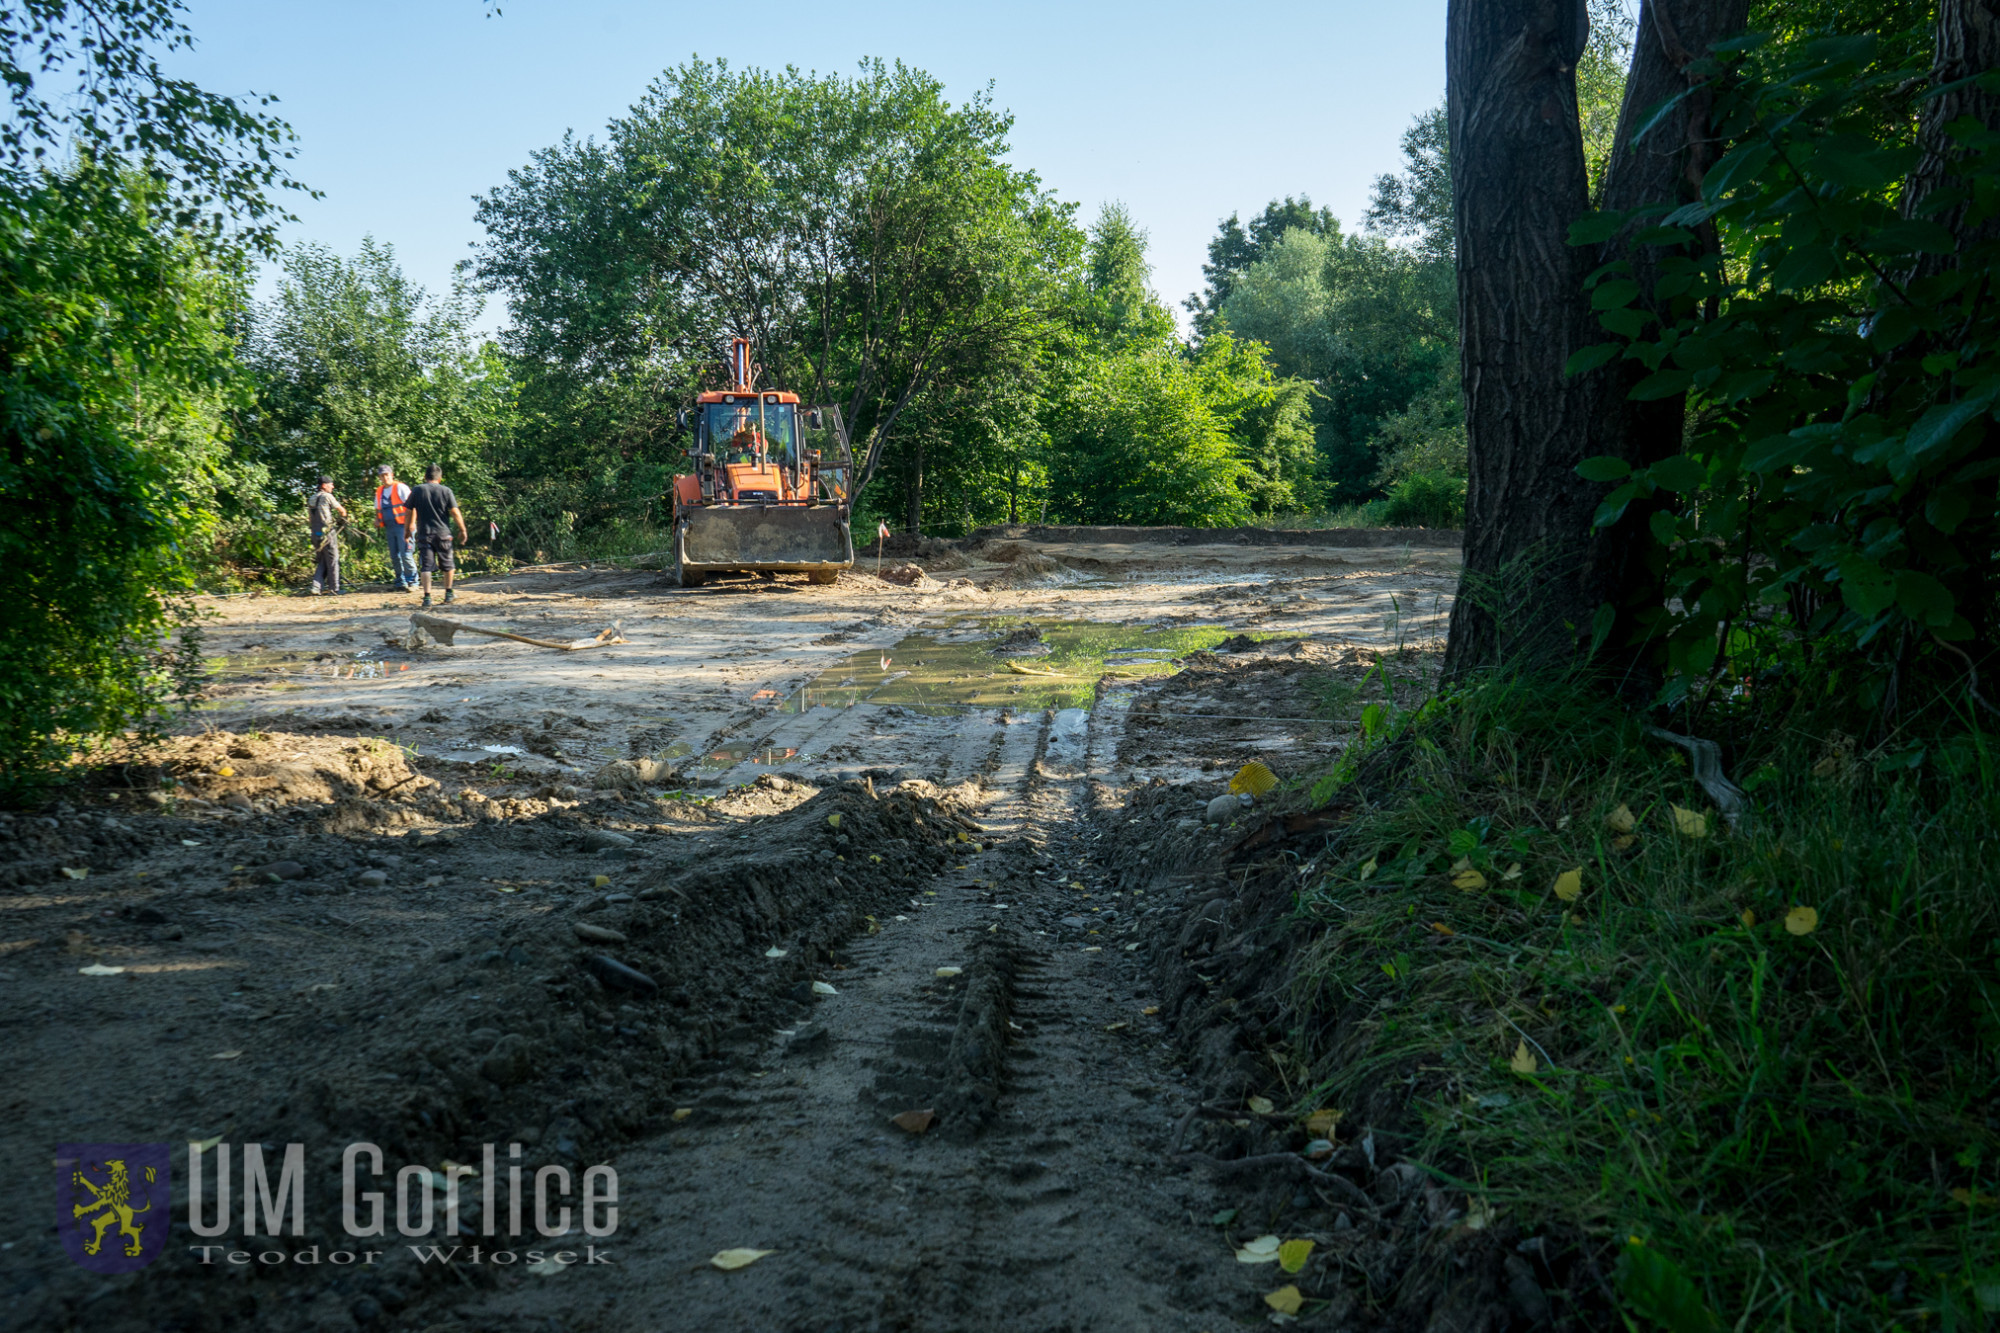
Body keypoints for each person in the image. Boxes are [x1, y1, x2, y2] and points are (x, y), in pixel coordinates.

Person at [406, 463, 468, 608]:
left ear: (425, 477)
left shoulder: (417, 490)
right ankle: (448, 593)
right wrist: (463, 529)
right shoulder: (446, 491)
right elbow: (455, 512)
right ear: (440, 479)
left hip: (424, 533)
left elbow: (408, 511)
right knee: (448, 564)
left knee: (426, 566)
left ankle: (427, 598)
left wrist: (407, 530)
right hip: (443, 533)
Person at [373, 464, 417, 590]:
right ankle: (400, 582)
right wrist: (377, 520)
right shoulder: (380, 491)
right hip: (390, 527)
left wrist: (412, 524)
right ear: (380, 477)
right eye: (382, 475)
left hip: (404, 526)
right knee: (395, 556)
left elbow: (412, 506)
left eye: (386, 474)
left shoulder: (400, 488)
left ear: (391, 475)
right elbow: (378, 508)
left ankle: (413, 582)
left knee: (406, 554)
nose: (385, 477)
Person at [306, 476, 347, 595]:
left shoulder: (312, 498)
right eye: (331, 484)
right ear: (324, 485)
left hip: (315, 533)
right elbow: (342, 511)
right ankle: (334, 589)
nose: (333, 487)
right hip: (327, 532)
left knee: (323, 560)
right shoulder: (327, 496)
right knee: (333, 559)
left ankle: (316, 587)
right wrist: (342, 520)